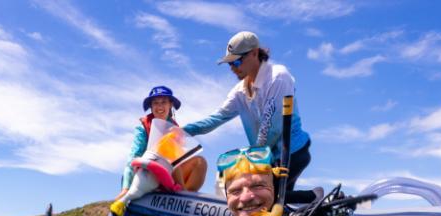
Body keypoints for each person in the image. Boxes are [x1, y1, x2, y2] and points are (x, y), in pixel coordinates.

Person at [182, 31, 313, 197]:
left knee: (257, 197)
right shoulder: (239, 92)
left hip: (292, 153)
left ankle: (314, 196)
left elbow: (270, 128)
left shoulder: (278, 77)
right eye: (229, 64)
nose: (233, 68)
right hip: (268, 159)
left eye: (237, 61)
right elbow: (216, 118)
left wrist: (250, 160)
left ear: (254, 53)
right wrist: (182, 131)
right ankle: (312, 204)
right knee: (275, 208)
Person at [118, 86, 207, 200]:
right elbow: (133, 157)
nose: (159, 106)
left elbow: (178, 158)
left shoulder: (175, 128)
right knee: (173, 162)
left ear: (170, 105)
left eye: (164, 102)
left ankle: (185, 199)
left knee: (200, 162)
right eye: (155, 103)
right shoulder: (142, 128)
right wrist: (125, 188)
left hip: (168, 175)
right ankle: (182, 196)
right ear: (151, 106)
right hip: (146, 175)